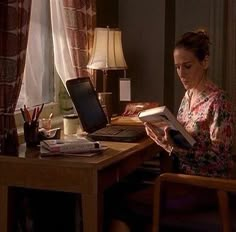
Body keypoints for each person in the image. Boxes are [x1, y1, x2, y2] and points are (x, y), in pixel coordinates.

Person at [106, 30, 234, 232]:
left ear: (205, 62)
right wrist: (162, 137)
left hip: (206, 186)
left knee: (122, 206)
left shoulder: (218, 101)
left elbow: (220, 160)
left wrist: (173, 149)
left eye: (187, 66)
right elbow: (185, 140)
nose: (181, 74)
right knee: (119, 194)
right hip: (183, 179)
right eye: (177, 67)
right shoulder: (188, 96)